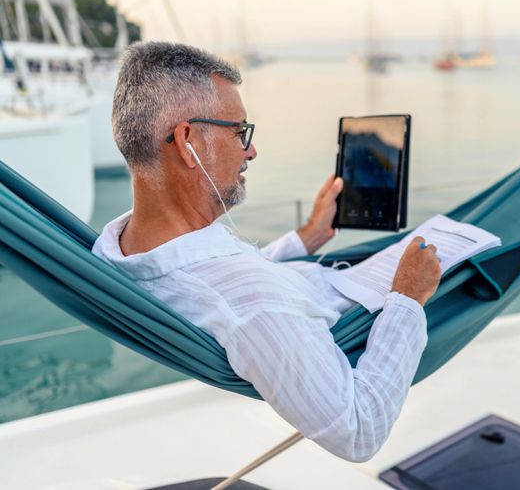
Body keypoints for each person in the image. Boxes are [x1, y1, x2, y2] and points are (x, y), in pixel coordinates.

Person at [92, 42, 441, 462]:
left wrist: (306, 238)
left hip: (310, 281)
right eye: (240, 132)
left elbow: (215, 279)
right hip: (361, 301)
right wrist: (407, 298)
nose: (251, 150)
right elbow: (358, 430)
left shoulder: (122, 246)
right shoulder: (253, 303)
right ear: (187, 141)